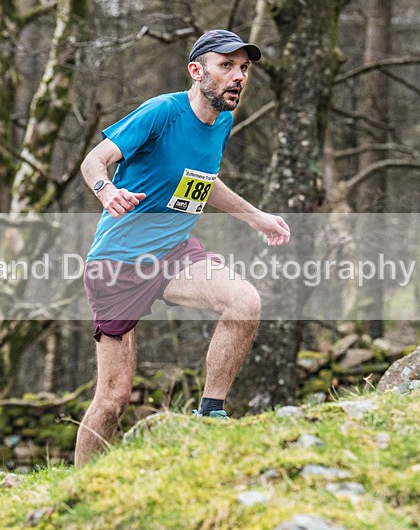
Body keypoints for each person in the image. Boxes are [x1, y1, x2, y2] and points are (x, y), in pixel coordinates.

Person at [75, 29, 291, 466]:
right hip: (118, 262)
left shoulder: (222, 122)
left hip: (174, 254)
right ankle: (78, 485)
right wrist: (105, 191)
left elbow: (202, 183)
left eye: (244, 69)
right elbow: (93, 160)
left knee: (243, 302)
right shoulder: (161, 112)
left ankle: (210, 412)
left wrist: (256, 216)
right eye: (226, 66)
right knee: (114, 397)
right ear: (196, 71)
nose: (238, 77)